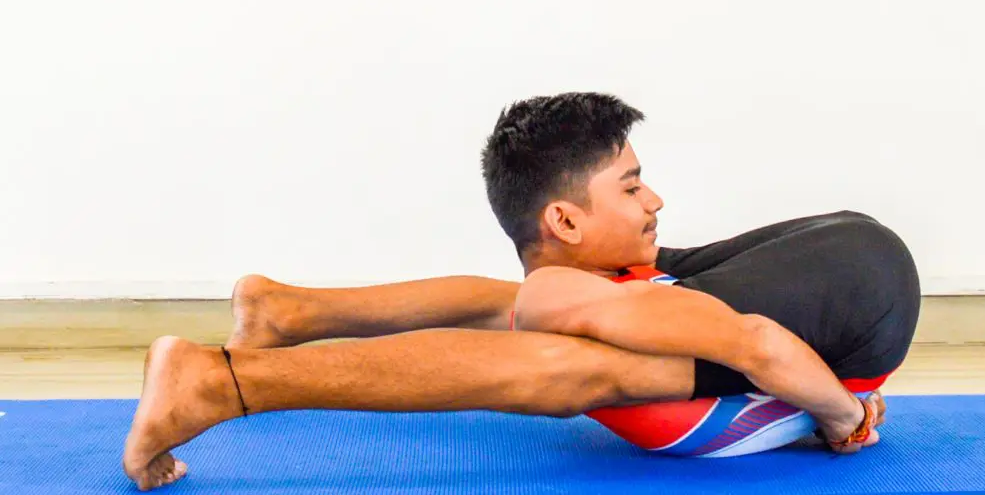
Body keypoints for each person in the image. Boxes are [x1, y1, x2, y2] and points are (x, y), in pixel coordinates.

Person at [122, 92, 918, 490]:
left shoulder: (576, 286)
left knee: (584, 325)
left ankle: (286, 311)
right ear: (566, 220)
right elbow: (761, 346)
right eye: (633, 186)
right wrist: (843, 418)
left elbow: (755, 341)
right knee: (593, 362)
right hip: (855, 276)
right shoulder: (597, 301)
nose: (657, 201)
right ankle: (220, 382)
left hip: (855, 275)